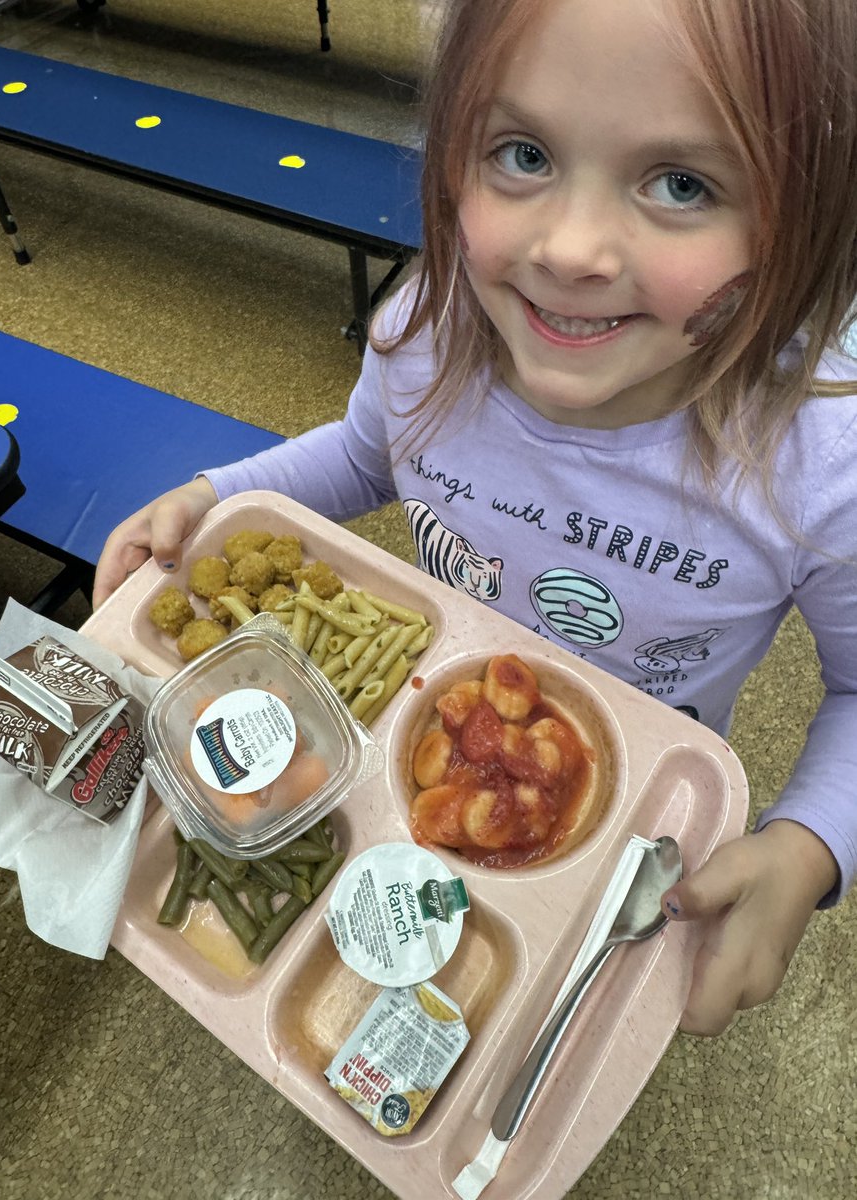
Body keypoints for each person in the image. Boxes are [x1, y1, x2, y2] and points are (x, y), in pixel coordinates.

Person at [94, 0, 857, 1036]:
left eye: (683, 183)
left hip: (631, 815)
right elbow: (368, 451)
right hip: (407, 755)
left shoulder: (821, 462)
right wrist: (218, 497)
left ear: (811, 221)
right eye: (524, 152)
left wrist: (807, 846)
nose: (572, 249)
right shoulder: (427, 333)